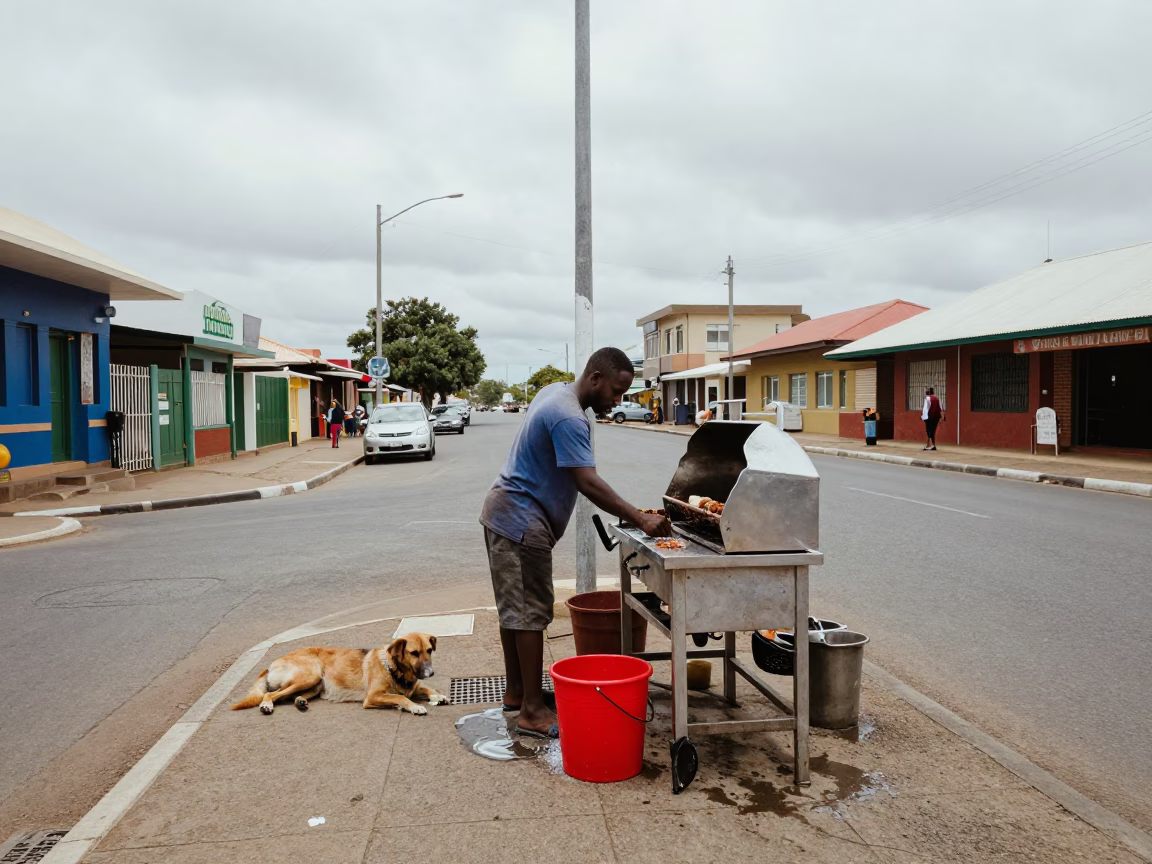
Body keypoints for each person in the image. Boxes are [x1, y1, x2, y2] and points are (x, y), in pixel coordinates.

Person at [480, 347, 672, 739]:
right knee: (530, 614)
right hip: (520, 522)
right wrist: (640, 518)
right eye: (617, 392)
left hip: (504, 514)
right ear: (596, 378)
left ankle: (518, 692)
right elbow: (586, 480)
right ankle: (531, 711)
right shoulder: (569, 416)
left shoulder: (555, 391)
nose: (618, 401)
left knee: (514, 611)